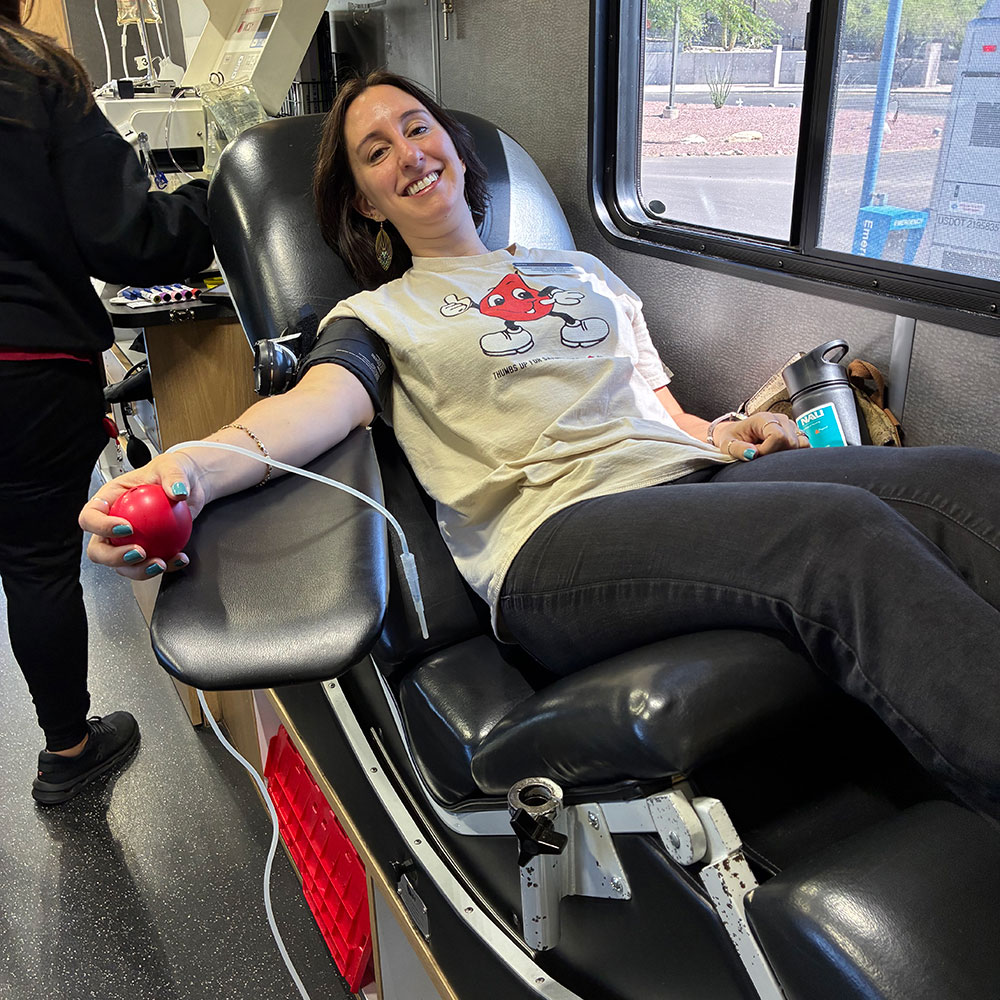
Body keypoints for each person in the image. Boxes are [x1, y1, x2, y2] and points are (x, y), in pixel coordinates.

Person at [81, 71, 1000, 821]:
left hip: (682, 481)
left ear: (453, 144)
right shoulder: (372, 315)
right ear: (364, 205)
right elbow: (307, 412)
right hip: (555, 540)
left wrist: (733, 432)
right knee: (836, 529)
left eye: (417, 127)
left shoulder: (582, 271)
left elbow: (661, 410)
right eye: (377, 150)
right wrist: (187, 468)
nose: (409, 153)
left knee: (970, 481)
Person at [0, 0, 213, 804]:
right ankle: (69, 751)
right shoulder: (29, 73)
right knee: (36, 564)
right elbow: (128, 236)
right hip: (24, 362)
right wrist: (220, 197)